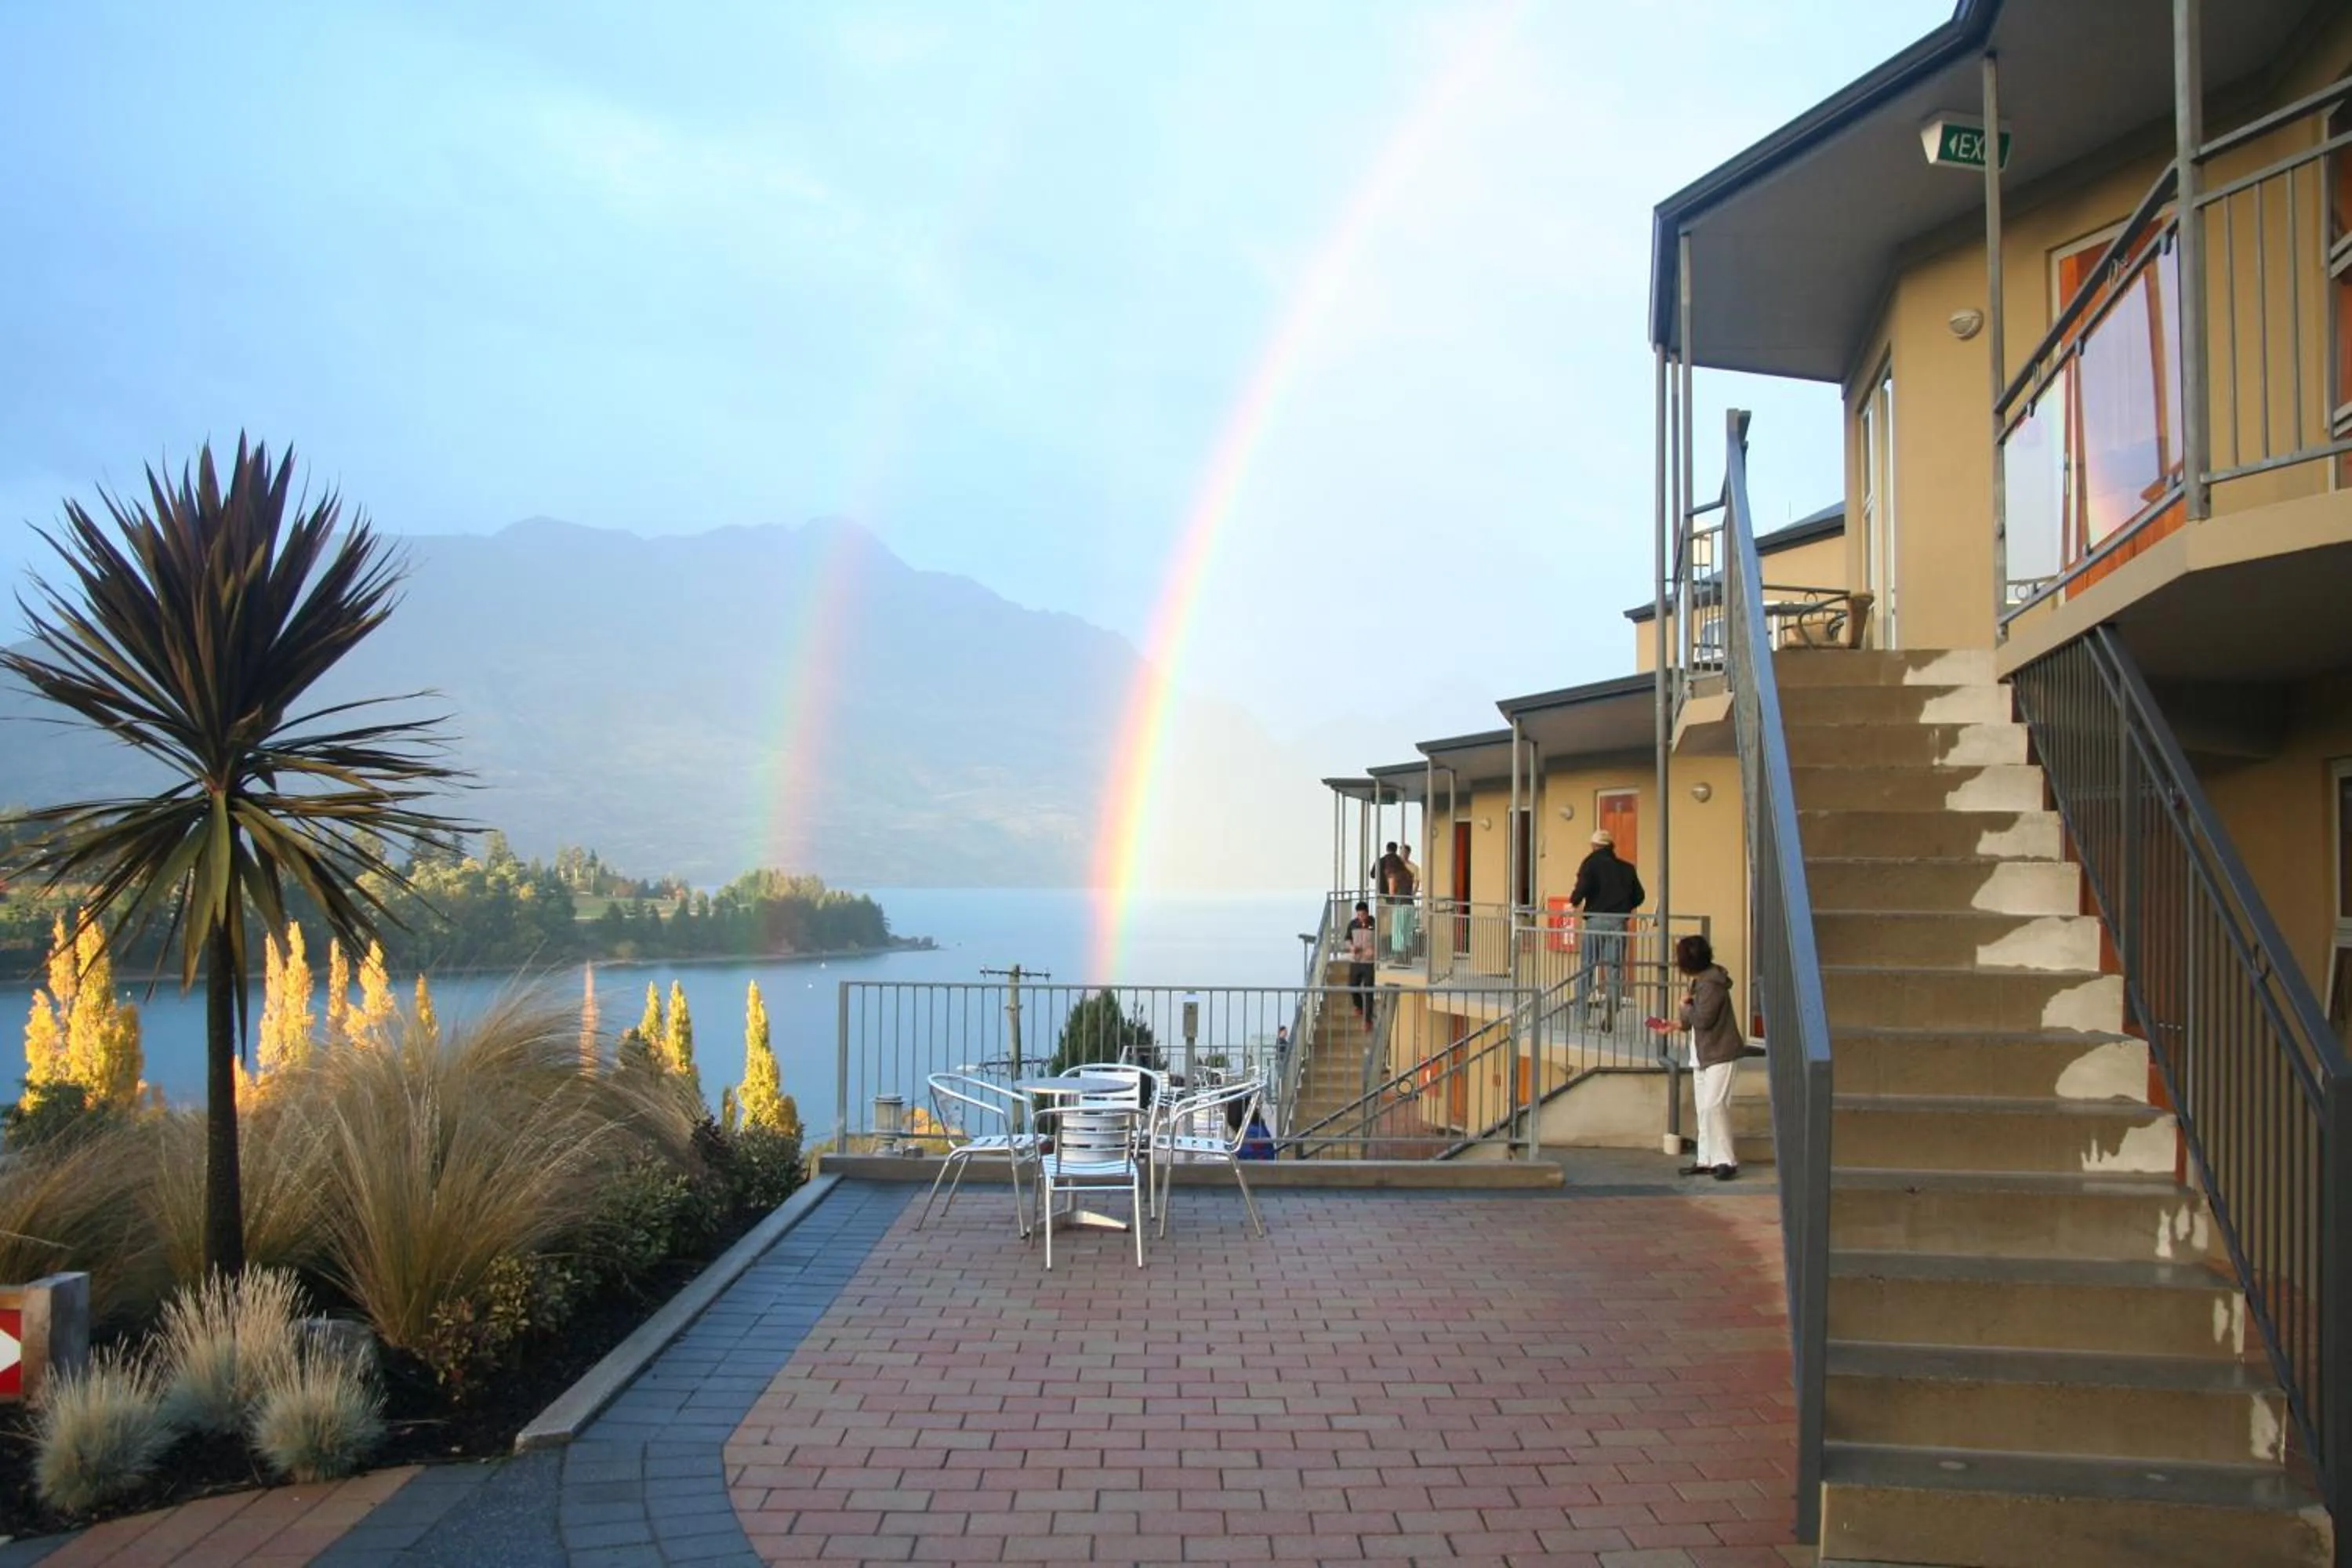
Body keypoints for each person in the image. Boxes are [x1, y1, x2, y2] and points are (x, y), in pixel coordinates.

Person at [1649, 932, 1744, 1180]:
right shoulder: (1703, 980)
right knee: (1704, 1108)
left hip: (1720, 1052)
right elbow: (1698, 1019)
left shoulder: (1711, 984)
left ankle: (1726, 1160)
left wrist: (1685, 1007)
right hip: (1703, 1053)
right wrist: (1676, 1024)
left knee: (1714, 1105)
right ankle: (1707, 1158)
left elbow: (1702, 1018)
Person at [1569, 829, 1645, 1028]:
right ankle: (1612, 1009)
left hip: (1596, 921)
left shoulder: (1591, 863)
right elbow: (1639, 895)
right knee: (1614, 968)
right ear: (1611, 846)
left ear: (1594, 846)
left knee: (1587, 968)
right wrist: (1624, 908)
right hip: (1618, 922)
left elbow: (1583, 886)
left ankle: (1580, 1018)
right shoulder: (1627, 868)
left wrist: (1573, 902)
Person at [1345, 900, 1377, 1023]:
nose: (1360, 918)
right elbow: (1347, 939)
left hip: (1369, 963)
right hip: (1356, 961)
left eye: (1362, 915)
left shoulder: (1374, 924)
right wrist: (1351, 947)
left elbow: (1382, 941)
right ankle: (1360, 1006)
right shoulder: (1352, 924)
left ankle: (1368, 1020)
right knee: (1353, 987)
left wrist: (1374, 950)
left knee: (1369, 991)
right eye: (1358, 915)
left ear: (1367, 914)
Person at [1388, 844, 1419, 960]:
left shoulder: (1397, 871)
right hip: (1407, 902)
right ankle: (1406, 957)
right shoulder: (1408, 872)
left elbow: (1392, 889)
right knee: (1406, 930)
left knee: (1399, 930)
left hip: (1401, 902)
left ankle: (1400, 957)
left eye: (1404, 852)